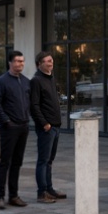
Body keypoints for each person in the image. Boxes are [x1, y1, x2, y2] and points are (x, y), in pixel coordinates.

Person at [0, 50, 31, 210]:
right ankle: (0, 197)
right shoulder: (2, 81)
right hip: (9, 128)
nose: (20, 64)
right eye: (17, 61)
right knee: (5, 162)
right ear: (10, 63)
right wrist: (6, 121)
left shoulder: (26, 81)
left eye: (22, 61)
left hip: (23, 126)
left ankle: (13, 195)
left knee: (17, 163)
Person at [28, 51, 67, 204]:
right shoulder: (36, 81)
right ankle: (41, 193)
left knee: (49, 160)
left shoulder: (50, 79)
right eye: (47, 61)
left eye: (51, 60)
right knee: (43, 161)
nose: (50, 63)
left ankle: (49, 189)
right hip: (47, 128)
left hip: (56, 126)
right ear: (39, 64)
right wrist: (44, 123)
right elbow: (34, 106)